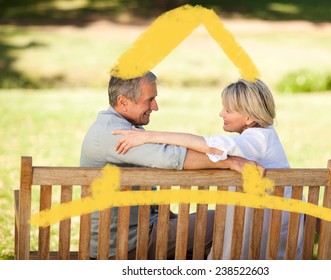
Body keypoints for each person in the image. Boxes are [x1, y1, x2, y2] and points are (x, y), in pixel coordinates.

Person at [112, 78, 305, 260]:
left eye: (228, 110)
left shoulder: (255, 141)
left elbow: (207, 145)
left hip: (261, 246)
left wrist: (148, 137)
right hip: (276, 240)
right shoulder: (265, 136)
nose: (221, 113)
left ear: (248, 117)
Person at [80, 71, 251, 260]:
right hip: (123, 246)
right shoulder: (115, 133)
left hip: (131, 236)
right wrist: (230, 162)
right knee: (226, 218)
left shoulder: (119, 127)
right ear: (123, 102)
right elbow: (173, 157)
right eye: (149, 100)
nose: (155, 106)